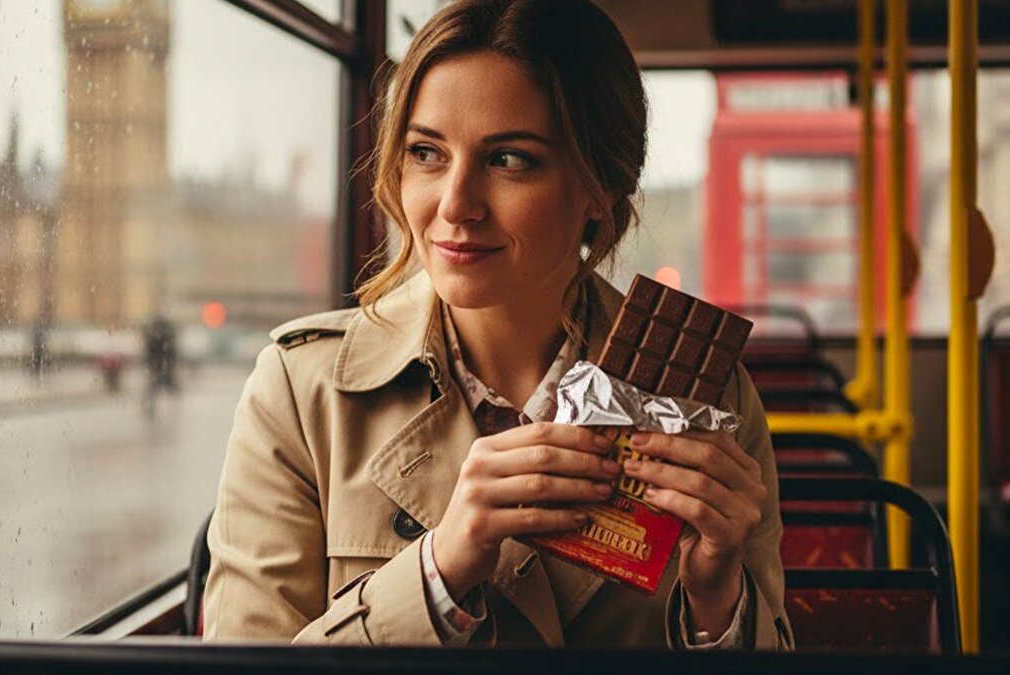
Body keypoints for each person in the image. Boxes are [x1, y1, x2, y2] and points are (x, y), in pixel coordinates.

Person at [204, 0, 791, 650]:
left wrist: (717, 599)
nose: (454, 204)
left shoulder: (711, 397)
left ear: (601, 185)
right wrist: (438, 571)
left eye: (509, 160)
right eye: (426, 152)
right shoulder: (299, 392)